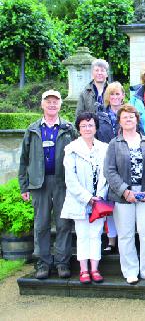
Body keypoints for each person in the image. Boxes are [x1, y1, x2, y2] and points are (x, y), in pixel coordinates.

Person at [18, 90, 76, 279]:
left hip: (62, 183)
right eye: (48, 101)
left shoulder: (68, 128)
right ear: (42, 104)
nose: (52, 104)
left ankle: (62, 263)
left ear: (60, 105)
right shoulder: (33, 129)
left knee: (63, 224)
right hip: (38, 184)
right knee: (41, 224)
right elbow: (24, 160)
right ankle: (43, 264)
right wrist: (24, 186)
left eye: (55, 101)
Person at [104, 104, 145, 284]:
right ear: (119, 121)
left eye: (132, 116)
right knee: (126, 234)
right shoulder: (114, 143)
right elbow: (109, 171)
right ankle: (130, 271)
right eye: (125, 117)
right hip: (123, 196)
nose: (129, 119)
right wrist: (124, 191)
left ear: (137, 120)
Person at [61, 112, 108, 284]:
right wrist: (87, 197)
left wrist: (99, 195)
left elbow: (107, 174)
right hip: (79, 200)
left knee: (96, 234)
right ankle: (83, 270)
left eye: (90, 125)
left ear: (96, 127)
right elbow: (70, 178)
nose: (87, 128)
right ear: (78, 128)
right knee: (82, 235)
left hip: (99, 200)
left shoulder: (104, 148)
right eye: (83, 125)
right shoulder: (71, 148)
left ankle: (95, 269)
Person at [96, 81, 125, 254]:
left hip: (125, 160)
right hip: (106, 160)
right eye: (112, 94)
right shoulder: (100, 116)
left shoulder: (128, 112)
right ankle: (111, 240)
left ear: (123, 95)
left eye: (118, 94)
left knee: (121, 203)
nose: (115, 97)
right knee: (108, 201)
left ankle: (123, 239)